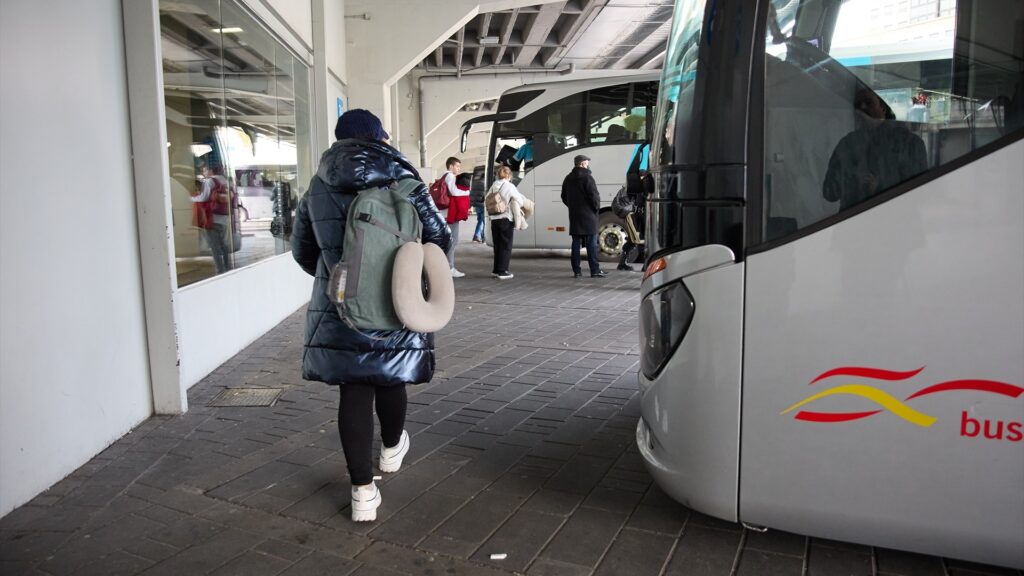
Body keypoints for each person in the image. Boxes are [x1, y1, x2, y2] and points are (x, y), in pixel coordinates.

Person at [291, 109, 452, 523]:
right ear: (381, 138)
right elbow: (440, 237)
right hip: (398, 301)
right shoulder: (406, 181)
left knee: (354, 389)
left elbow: (303, 251)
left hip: (341, 306)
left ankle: (362, 492)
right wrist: (412, 278)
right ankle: (392, 448)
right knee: (391, 376)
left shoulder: (318, 185)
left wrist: (341, 280)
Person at [823, 88, 928, 210]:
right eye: (857, 105)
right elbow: (829, 193)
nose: (862, 108)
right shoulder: (847, 144)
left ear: (883, 108)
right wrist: (852, 178)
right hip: (852, 221)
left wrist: (879, 187)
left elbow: (919, 193)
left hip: (897, 220)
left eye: (869, 103)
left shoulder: (909, 143)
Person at [560, 154, 607, 278]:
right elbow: (594, 197)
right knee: (592, 243)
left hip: (575, 215)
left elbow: (563, 196)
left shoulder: (568, 178)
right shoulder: (588, 177)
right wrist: (595, 209)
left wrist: (573, 207)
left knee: (576, 243)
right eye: (586, 163)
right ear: (582, 164)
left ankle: (577, 271)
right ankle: (594, 270)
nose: (588, 164)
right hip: (589, 216)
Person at [191, 163, 232, 274]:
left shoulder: (210, 181)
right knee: (223, 244)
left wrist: (190, 198)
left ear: (211, 170)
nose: (203, 173)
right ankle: (228, 266)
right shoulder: (225, 180)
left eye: (204, 170)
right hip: (224, 216)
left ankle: (220, 270)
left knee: (214, 246)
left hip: (213, 218)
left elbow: (204, 197)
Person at [488, 165, 527, 280]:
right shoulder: (509, 186)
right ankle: (502, 271)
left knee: (498, 245)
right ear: (509, 175)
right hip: (505, 218)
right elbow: (520, 201)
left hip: (494, 219)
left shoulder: (494, 185)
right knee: (506, 246)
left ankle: (496, 270)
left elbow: (487, 197)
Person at [617, 142, 650, 271]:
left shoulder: (635, 185)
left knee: (634, 239)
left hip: (636, 213)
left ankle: (623, 262)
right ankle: (645, 264)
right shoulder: (641, 186)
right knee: (642, 239)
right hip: (639, 214)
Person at [442, 157, 469, 278]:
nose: (458, 169)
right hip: (450, 214)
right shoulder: (450, 176)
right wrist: (467, 192)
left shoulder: (443, 176)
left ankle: (446, 266)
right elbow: (454, 191)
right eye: (457, 166)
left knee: (448, 240)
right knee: (452, 241)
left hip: (444, 213)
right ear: (451, 166)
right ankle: (450, 268)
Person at [469, 169, 486, 243]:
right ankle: (483, 237)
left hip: (477, 205)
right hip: (482, 205)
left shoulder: (475, 183)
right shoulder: (485, 184)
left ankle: (476, 236)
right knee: (484, 221)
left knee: (480, 221)